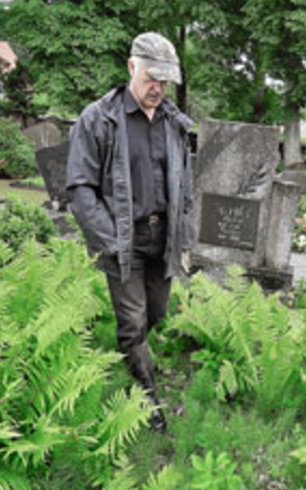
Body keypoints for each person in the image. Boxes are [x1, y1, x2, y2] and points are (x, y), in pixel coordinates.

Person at [66, 32, 194, 430]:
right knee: (134, 322)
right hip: (121, 238)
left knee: (155, 313)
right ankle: (147, 399)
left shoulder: (175, 122)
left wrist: (184, 239)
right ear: (131, 67)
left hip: (163, 238)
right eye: (151, 78)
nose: (158, 88)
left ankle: (134, 354)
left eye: (165, 80)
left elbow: (185, 187)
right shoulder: (99, 119)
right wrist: (111, 238)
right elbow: (80, 188)